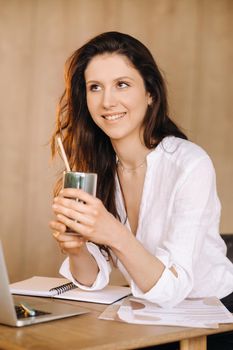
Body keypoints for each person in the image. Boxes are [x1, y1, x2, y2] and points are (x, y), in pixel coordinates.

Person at [49, 31, 233, 349]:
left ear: (149, 93)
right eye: (95, 87)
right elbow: (94, 279)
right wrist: (77, 249)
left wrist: (112, 232)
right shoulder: (96, 168)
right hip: (152, 316)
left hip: (212, 322)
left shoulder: (189, 164)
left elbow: (173, 289)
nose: (108, 101)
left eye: (122, 84)